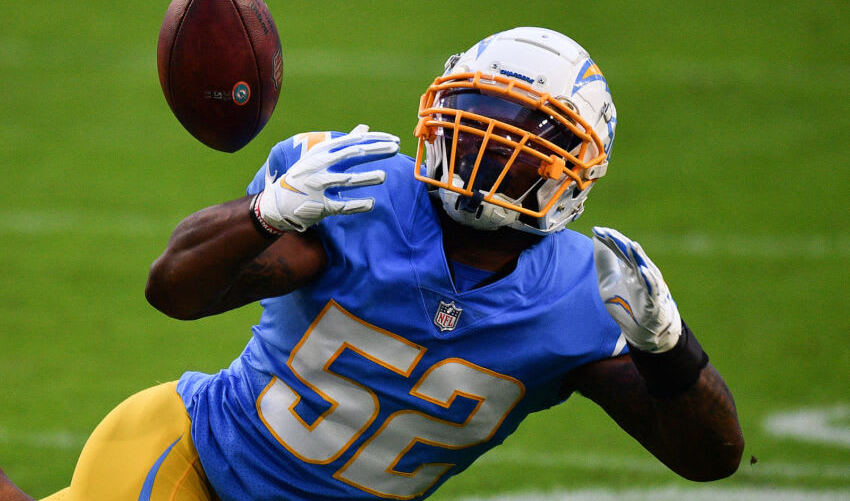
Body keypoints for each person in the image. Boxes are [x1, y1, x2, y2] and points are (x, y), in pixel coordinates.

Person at [1, 27, 743, 501]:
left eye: (515, 143)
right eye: (476, 120)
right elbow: (174, 292)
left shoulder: (578, 294)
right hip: (193, 464)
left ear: (569, 176)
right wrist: (265, 213)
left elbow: (709, 459)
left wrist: (671, 350)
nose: (486, 150)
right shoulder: (361, 192)